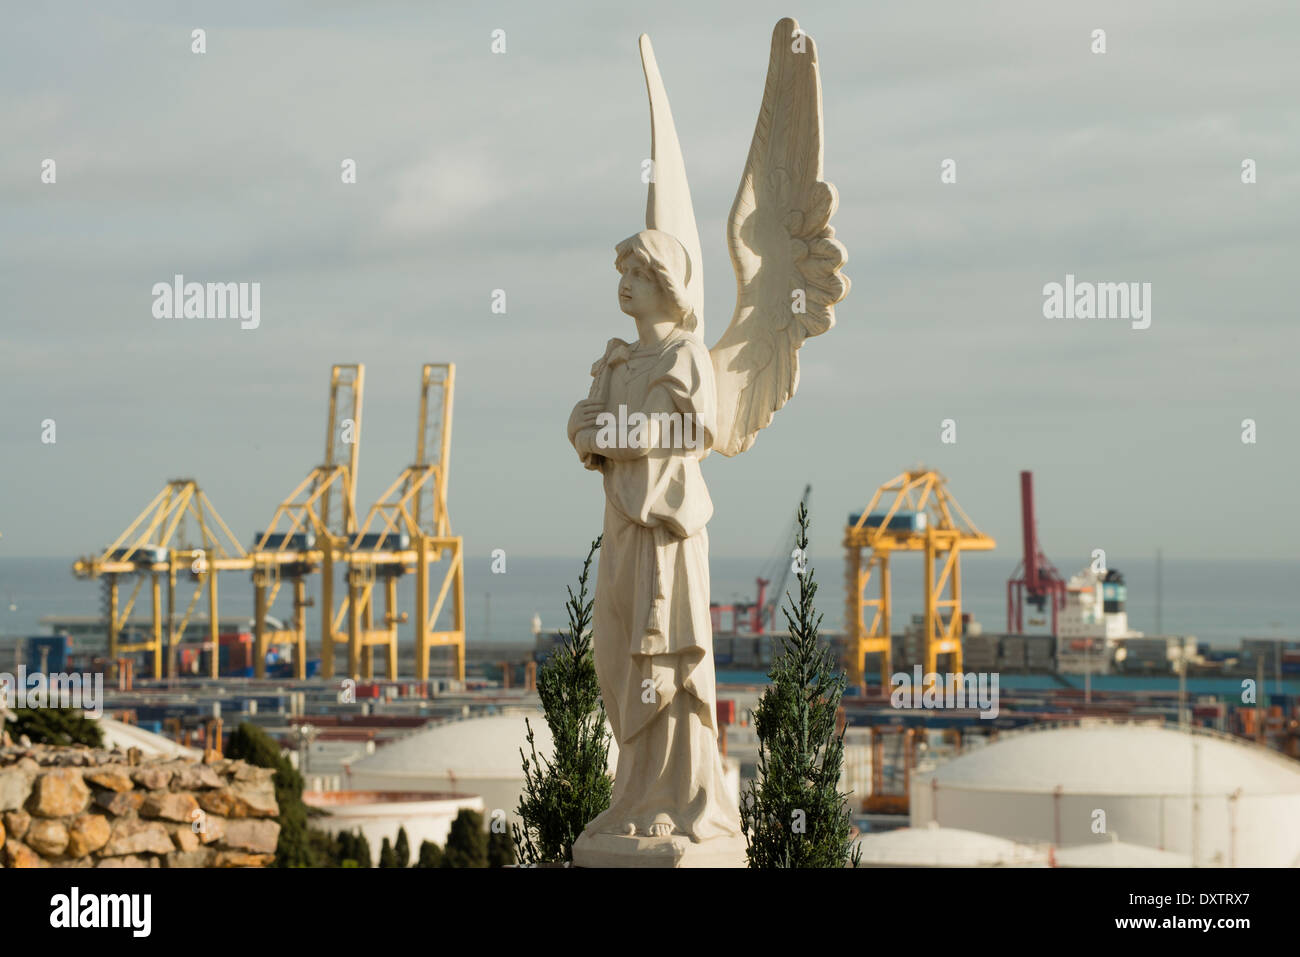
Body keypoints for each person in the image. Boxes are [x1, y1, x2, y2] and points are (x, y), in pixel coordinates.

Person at [566, 228, 740, 842]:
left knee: (664, 657)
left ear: (666, 285)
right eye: (624, 273)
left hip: (667, 532)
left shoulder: (683, 356)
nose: (625, 284)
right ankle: (634, 794)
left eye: (638, 274)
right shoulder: (617, 358)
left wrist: (596, 434)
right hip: (622, 530)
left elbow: (657, 434)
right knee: (616, 655)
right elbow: (593, 432)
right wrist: (589, 432)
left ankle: (675, 796)